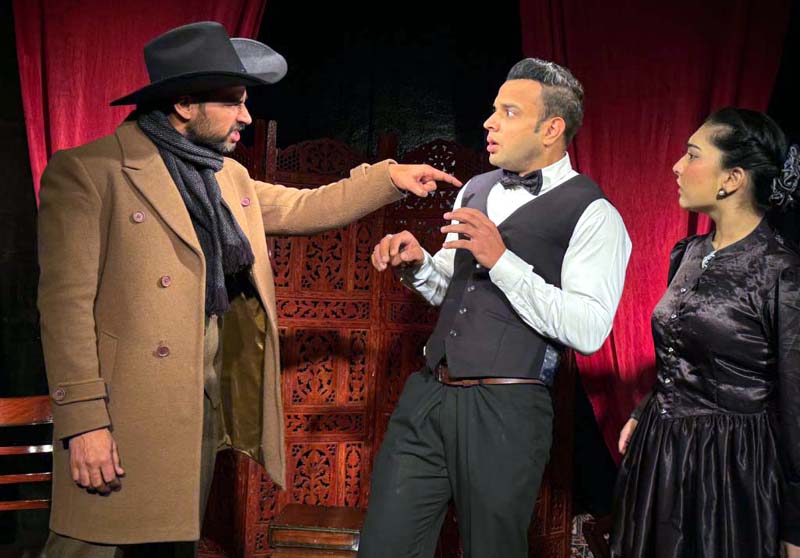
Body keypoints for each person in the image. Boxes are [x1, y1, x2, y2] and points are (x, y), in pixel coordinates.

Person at [37, 21, 460, 557]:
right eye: (233, 102)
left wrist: (388, 178)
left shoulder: (224, 177)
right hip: (121, 418)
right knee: (87, 548)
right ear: (184, 104)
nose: (246, 116)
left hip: (192, 413)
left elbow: (304, 206)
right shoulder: (91, 172)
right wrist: (85, 424)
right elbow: (65, 312)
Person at [358, 57, 632, 558]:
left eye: (508, 112)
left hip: (505, 409)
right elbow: (452, 289)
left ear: (551, 129)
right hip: (428, 394)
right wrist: (417, 264)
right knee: (385, 545)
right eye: (493, 110)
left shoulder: (595, 214)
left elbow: (590, 329)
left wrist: (503, 261)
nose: (489, 123)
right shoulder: (475, 189)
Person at [612, 108, 800, 558]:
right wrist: (644, 408)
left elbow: (796, 404)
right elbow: (679, 348)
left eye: (692, 154)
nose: (678, 166)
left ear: (732, 179)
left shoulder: (781, 272)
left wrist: (795, 526)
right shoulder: (689, 252)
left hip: (731, 466)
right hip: (662, 451)